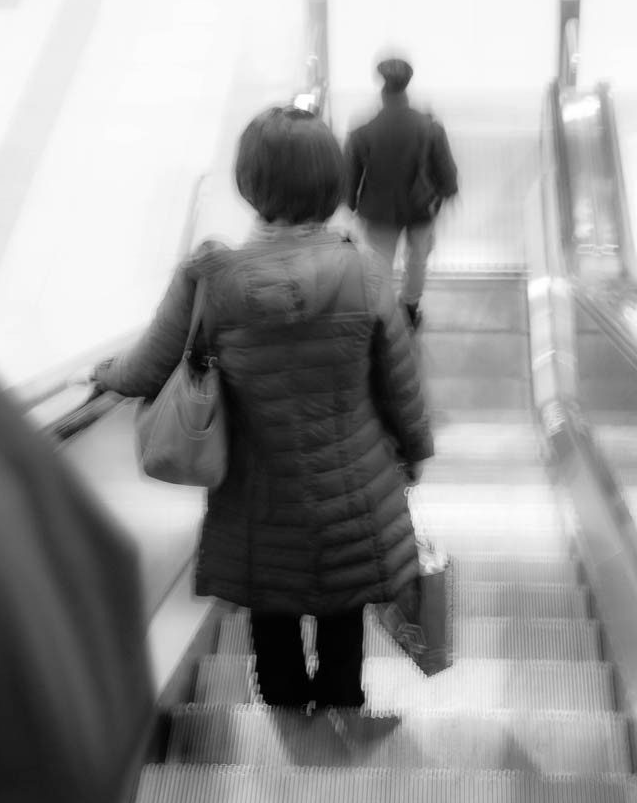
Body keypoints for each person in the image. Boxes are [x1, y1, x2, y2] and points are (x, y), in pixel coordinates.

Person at [93, 106, 434, 710]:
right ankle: (339, 699)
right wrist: (413, 452)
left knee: (269, 603)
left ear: (250, 185)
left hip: (255, 489)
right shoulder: (365, 272)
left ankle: (281, 699)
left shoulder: (210, 277)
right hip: (352, 486)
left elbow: (145, 370)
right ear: (332, 184)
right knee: (343, 602)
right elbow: (400, 385)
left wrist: (103, 375)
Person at [0, 380, 153, 803]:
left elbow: (152, 359)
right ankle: (339, 688)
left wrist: (113, 373)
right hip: (52, 799)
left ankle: (283, 685)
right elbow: (109, 563)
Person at [344, 57, 459, 330]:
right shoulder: (430, 126)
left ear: (382, 89)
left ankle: (382, 316)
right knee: (417, 260)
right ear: (407, 88)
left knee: (379, 263)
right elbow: (446, 172)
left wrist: (350, 204)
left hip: (378, 211)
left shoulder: (363, 131)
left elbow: (349, 177)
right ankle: (409, 307)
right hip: (421, 208)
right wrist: (444, 195)